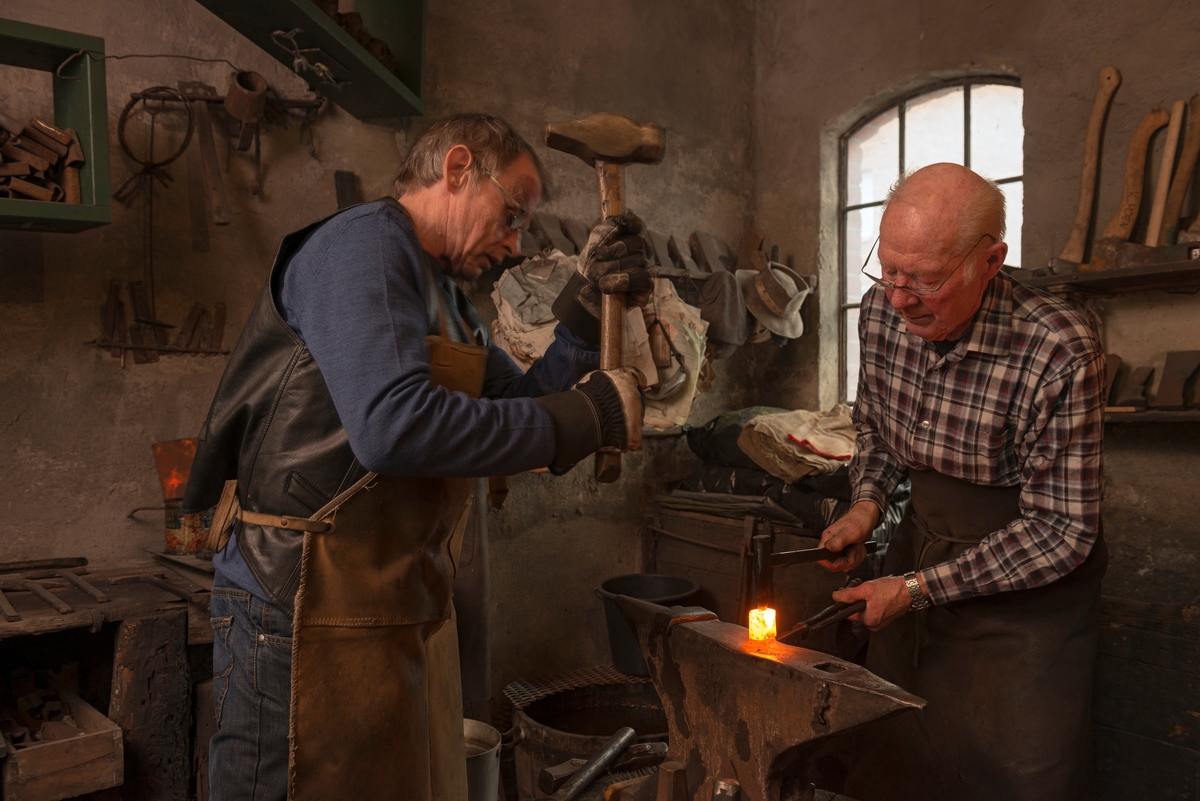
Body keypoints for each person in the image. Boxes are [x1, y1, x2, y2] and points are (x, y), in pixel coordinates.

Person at [181, 113, 651, 801]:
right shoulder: (363, 247)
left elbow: (519, 405)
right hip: (294, 608)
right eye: (512, 213)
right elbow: (393, 428)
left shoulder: (446, 303)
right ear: (458, 169)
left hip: (377, 607)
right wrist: (590, 414)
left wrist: (584, 309)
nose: (517, 244)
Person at [818, 162, 1107, 801]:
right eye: (888, 271)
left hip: (1026, 590)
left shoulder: (1056, 347)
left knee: (1016, 774)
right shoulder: (881, 313)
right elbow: (878, 428)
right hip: (916, 558)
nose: (899, 298)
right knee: (897, 753)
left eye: (923, 279)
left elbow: (1063, 531)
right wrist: (866, 505)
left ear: (991, 259)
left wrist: (920, 588)